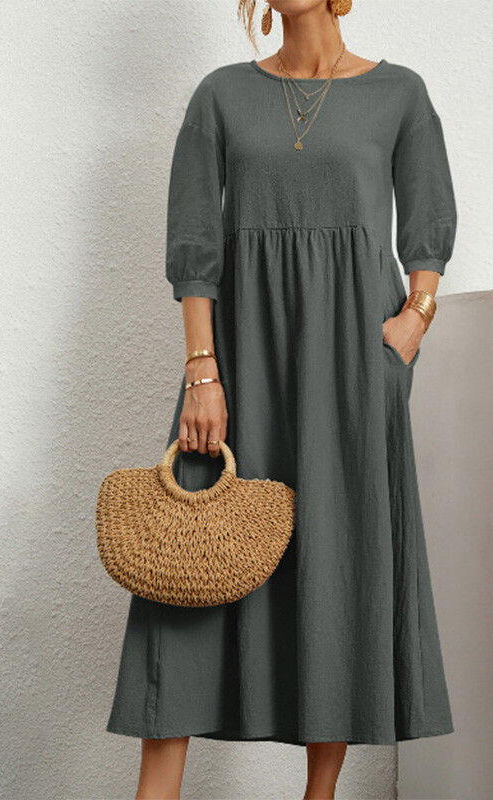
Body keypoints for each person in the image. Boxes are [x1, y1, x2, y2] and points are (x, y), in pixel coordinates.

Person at [106, 1, 458, 797]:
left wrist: (414, 321)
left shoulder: (400, 93)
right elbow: (194, 242)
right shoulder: (221, 95)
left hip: (353, 363)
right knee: (189, 562)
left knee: (339, 556)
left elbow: (428, 217)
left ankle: (318, 794)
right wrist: (203, 372)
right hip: (241, 356)